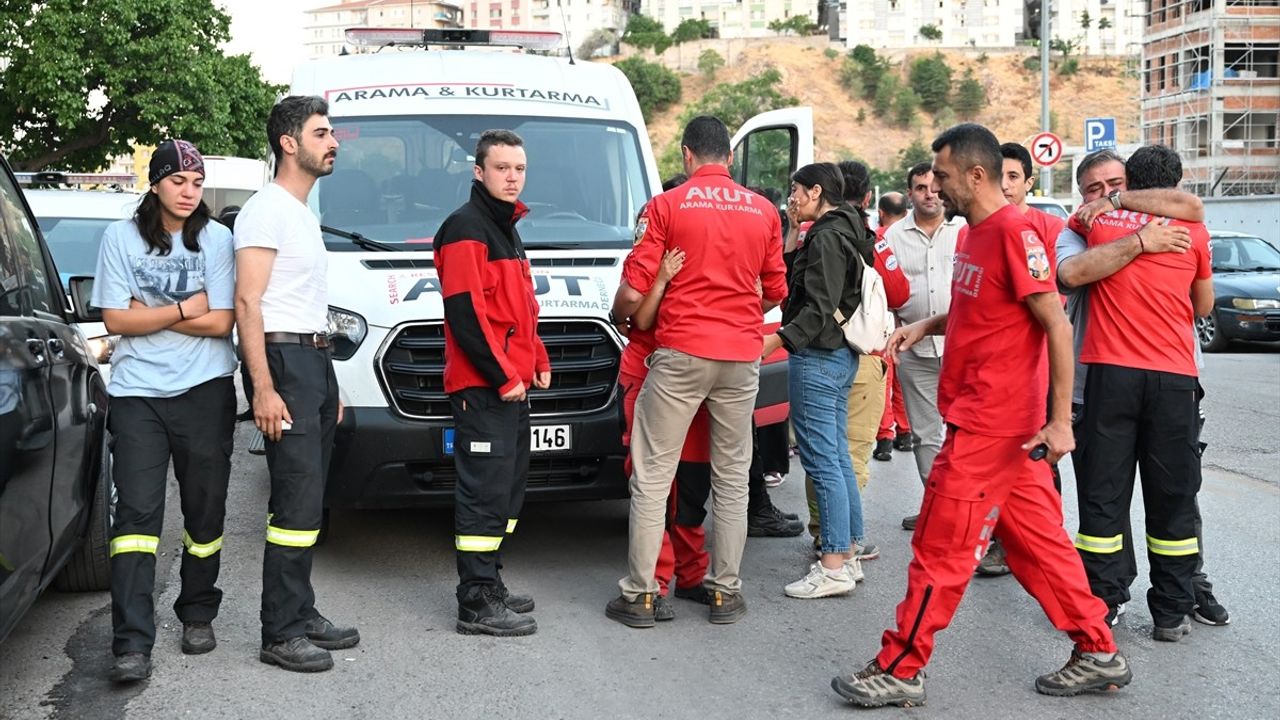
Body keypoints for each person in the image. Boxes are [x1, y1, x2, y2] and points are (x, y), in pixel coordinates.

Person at [832, 124, 1129, 708]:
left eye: (941, 175)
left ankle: (901, 665)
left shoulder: (1017, 233)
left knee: (940, 550)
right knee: (1040, 547)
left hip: (994, 426)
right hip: (992, 425)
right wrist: (927, 323)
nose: (934, 187)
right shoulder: (972, 237)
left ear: (974, 174)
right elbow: (981, 306)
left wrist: (1061, 420)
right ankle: (1097, 650)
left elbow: (1056, 325)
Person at [605, 116, 787, 628]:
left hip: (681, 352)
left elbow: (635, 295)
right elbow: (775, 290)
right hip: (740, 357)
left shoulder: (665, 206)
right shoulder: (762, 210)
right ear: (729, 157)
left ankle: (641, 594)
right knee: (732, 479)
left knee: (653, 477)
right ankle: (725, 592)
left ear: (686, 156)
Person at [1056, 148, 1228, 628]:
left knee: (1103, 496)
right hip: (1173, 378)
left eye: (1115, 184)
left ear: (1129, 181)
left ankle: (1102, 599)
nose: (1107, 194)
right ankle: (1172, 611)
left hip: (1112, 374)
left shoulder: (1096, 222)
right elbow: (1203, 305)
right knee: (1173, 496)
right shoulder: (1193, 230)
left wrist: (1113, 210)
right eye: (1097, 188)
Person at [94, 140, 237, 683]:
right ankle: (131, 643)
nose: (189, 192)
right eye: (178, 181)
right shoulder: (120, 238)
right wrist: (183, 307)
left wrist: (148, 313)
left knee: (205, 513)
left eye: (197, 183)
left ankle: (198, 612)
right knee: (134, 521)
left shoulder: (218, 239)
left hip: (205, 388)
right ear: (154, 183)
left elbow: (222, 322)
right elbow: (113, 318)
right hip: (137, 393)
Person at [235, 96, 360, 672]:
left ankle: (301, 610)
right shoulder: (265, 210)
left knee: (311, 500)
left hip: (312, 362)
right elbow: (248, 302)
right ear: (289, 143)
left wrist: (330, 387)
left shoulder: (301, 213)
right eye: (322, 132)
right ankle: (280, 632)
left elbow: (308, 307)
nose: (332, 142)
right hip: (283, 363)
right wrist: (262, 387)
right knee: (292, 501)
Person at [431, 129, 549, 637]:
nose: (512, 177)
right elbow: (467, 315)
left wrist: (538, 357)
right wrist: (503, 377)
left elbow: (521, 310)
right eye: (501, 168)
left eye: (518, 169)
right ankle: (475, 602)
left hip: (510, 387)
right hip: (483, 389)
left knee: (507, 491)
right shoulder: (466, 228)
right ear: (478, 172)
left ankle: (490, 582)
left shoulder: (506, 226)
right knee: (483, 494)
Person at [763, 162, 873, 599]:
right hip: (839, 355)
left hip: (818, 356)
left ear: (814, 191)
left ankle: (832, 565)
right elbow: (796, 279)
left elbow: (818, 305)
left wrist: (776, 340)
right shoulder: (845, 228)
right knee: (838, 458)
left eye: (795, 191)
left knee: (823, 461)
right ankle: (848, 553)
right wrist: (793, 232)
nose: (791, 199)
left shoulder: (827, 237)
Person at [609, 173, 713, 621]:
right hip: (685, 371)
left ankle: (671, 579)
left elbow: (626, 311)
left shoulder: (662, 240)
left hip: (667, 370)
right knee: (674, 483)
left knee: (673, 484)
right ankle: (675, 577)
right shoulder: (701, 245)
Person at [969, 141, 1072, 578]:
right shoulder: (981, 229)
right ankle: (1001, 540)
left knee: (1037, 460)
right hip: (992, 377)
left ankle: (1046, 544)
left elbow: (1053, 310)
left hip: (1037, 367)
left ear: (1029, 182)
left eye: (1015, 177)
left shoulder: (1047, 229)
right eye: (1002, 176)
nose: (1007, 185)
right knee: (999, 465)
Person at [798, 161, 909, 555]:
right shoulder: (870, 237)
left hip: (824, 350)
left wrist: (779, 341)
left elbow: (805, 299)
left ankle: (831, 543)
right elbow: (899, 294)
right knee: (846, 456)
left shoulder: (818, 235)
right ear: (866, 198)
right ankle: (847, 539)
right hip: (864, 355)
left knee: (825, 456)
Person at [883, 163, 967, 531]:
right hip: (916, 353)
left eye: (935, 187)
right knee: (926, 435)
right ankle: (938, 509)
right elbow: (885, 292)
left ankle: (965, 511)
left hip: (964, 349)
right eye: (920, 188)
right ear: (909, 194)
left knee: (964, 433)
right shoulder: (891, 236)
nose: (929, 194)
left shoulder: (966, 229)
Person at [872, 191, 914, 462]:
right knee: (902, 382)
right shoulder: (912, 235)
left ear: (881, 211)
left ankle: (885, 437)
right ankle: (906, 433)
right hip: (913, 319)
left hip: (886, 318)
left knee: (884, 379)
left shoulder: (879, 237)